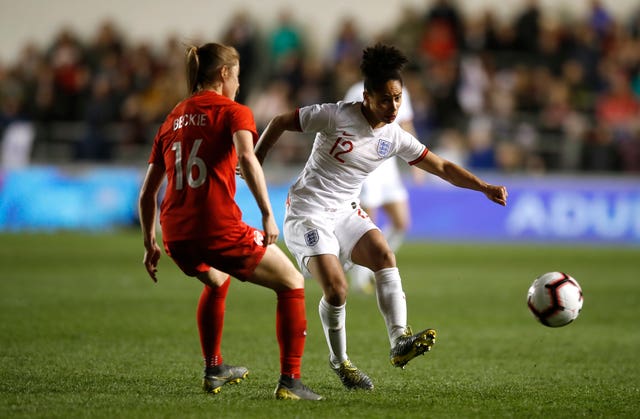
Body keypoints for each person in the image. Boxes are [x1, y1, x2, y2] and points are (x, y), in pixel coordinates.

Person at [254, 43, 507, 390]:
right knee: (337, 289)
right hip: (308, 212)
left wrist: (483, 187)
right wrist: (256, 157)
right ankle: (340, 361)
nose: (393, 107)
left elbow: (443, 166)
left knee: (385, 254)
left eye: (398, 98)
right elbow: (280, 121)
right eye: (386, 99)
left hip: (345, 211)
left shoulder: (394, 136)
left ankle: (399, 341)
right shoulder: (335, 114)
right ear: (367, 96)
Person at [138, 42, 322, 401]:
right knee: (291, 281)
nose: (238, 84)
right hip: (216, 227)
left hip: (175, 233)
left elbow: (147, 194)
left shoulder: (172, 117)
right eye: (236, 76)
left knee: (217, 279)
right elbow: (247, 159)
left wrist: (150, 242)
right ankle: (291, 381)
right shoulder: (233, 111)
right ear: (224, 74)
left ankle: (214, 368)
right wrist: (268, 213)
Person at [343, 80, 416, 293]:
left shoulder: (402, 92)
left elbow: (406, 126)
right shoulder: (357, 91)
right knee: (368, 223)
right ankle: (360, 276)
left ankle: (372, 264)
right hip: (366, 162)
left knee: (402, 222)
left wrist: (416, 162)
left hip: (389, 165)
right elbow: (347, 126)